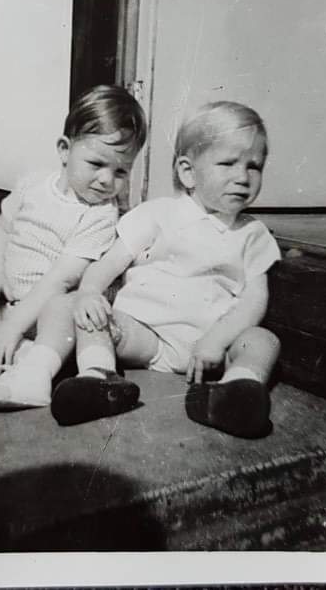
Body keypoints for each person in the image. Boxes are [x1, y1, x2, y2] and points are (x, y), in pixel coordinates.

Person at [43, 101, 281, 438]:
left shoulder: (252, 234)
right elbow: (108, 264)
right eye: (228, 163)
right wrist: (89, 293)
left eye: (254, 166)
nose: (242, 177)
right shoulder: (157, 214)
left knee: (263, 340)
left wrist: (216, 340)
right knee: (95, 317)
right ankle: (98, 377)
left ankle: (236, 390)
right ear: (187, 172)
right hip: (146, 336)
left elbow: (254, 300)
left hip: (215, 344)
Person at [0, 85, 146, 410]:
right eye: (96, 163)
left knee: (62, 310)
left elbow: (62, 280)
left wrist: (13, 326)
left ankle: (36, 362)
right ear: (64, 150)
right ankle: (24, 354)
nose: (106, 180)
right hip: (14, 304)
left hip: (53, 312)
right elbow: (4, 227)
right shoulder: (33, 185)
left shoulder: (100, 213)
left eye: (120, 171)